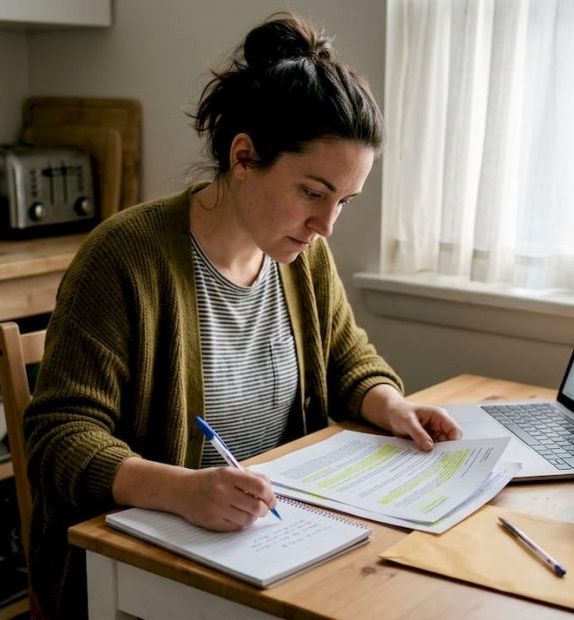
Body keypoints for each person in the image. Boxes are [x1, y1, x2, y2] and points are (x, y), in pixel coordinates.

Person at [24, 12, 462, 619]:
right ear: (244, 156)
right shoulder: (125, 257)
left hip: (273, 552)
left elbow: (345, 358)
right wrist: (180, 491)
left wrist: (390, 403)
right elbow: (57, 439)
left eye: (344, 201)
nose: (326, 225)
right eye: (312, 192)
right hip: (141, 573)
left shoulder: (304, 257)